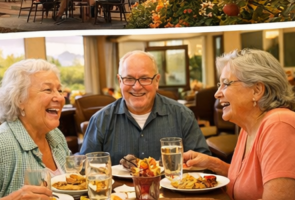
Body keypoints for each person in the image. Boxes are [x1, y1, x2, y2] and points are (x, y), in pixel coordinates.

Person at [183, 49, 295, 200]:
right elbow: (249, 182)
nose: (217, 94)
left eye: (226, 84)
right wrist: (211, 163)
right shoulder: (249, 127)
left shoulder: (281, 125)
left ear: (257, 90)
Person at [80, 51, 211, 166]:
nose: (137, 87)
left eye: (145, 78)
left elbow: (202, 164)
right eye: (129, 79)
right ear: (120, 81)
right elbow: (85, 169)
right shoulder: (100, 120)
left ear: (157, 81)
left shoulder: (183, 116)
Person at [0, 59, 71, 200]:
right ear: (20, 100)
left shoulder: (56, 136)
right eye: (48, 90)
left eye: (59, 91)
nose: (60, 98)